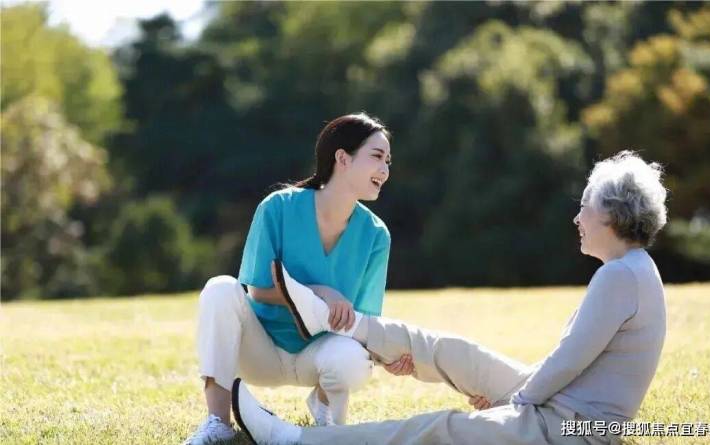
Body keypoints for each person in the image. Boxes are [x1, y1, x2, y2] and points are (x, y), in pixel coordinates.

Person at [231, 150, 668, 445]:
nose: (577, 217)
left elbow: (568, 362)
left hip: (570, 428)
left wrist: (513, 404)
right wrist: (515, 395)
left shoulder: (619, 277)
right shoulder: (631, 270)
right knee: (451, 351)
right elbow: (570, 365)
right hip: (562, 406)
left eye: (585, 206)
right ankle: (338, 320)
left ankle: (294, 439)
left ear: (610, 212)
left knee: (440, 428)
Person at [185, 113, 408, 445]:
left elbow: (364, 321)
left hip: (318, 356)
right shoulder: (278, 207)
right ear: (342, 158)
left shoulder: (376, 235)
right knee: (220, 288)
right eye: (377, 156)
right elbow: (258, 290)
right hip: (259, 349)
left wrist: (392, 353)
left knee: (351, 359)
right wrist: (322, 292)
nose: (385, 170)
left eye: (388, 161)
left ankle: (324, 407)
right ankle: (218, 422)